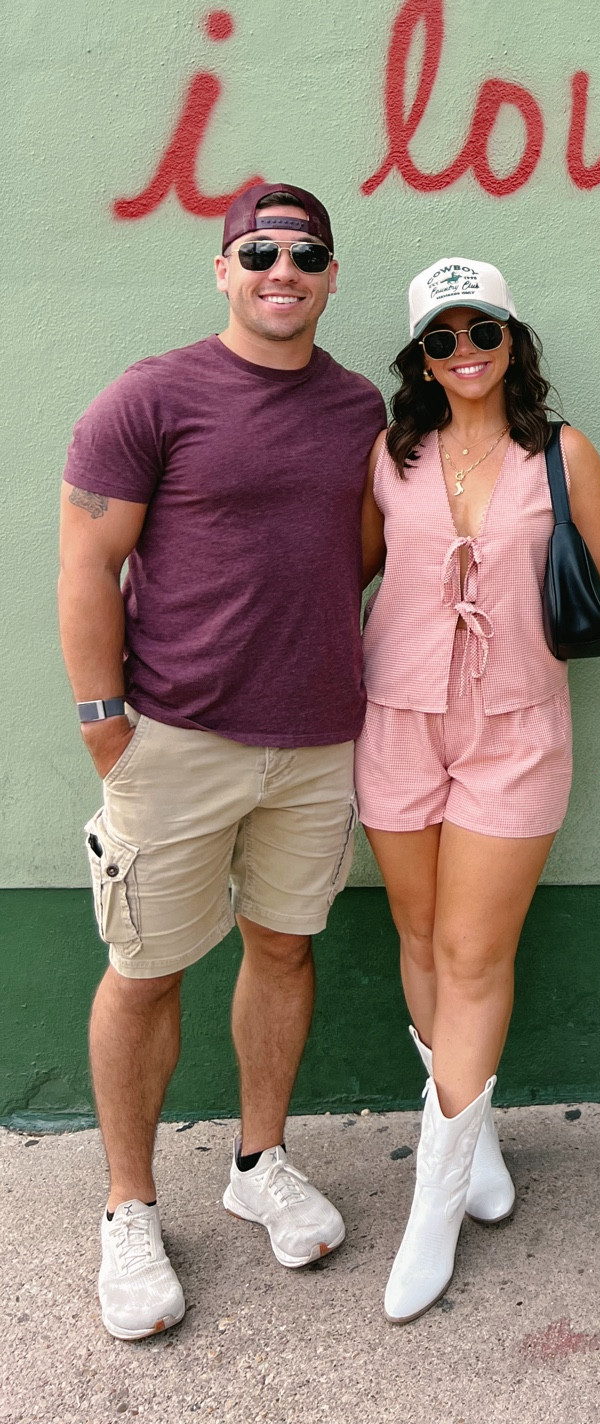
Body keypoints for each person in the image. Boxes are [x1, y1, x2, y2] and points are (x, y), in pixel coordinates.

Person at [58, 185, 385, 1342]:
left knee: (284, 948)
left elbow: (356, 558)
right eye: (261, 251)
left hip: (314, 738)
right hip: (176, 738)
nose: (281, 270)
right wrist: (107, 719)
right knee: (145, 968)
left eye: (305, 254)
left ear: (332, 274)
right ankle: (129, 1207)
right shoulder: (151, 396)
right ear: (224, 267)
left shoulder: (360, 407)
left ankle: (258, 1161)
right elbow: (88, 561)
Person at [357, 256, 600, 1323]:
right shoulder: (391, 456)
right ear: (420, 359)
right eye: (442, 336)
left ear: (514, 339)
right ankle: (470, 1139)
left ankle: (432, 1205)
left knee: (477, 955)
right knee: (422, 931)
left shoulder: (563, 454)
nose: (464, 349)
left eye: (482, 328)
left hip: (517, 727)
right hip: (395, 717)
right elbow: (344, 576)